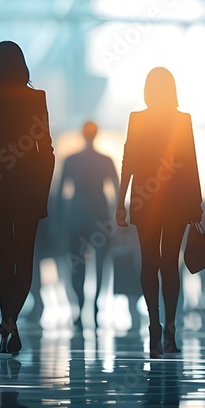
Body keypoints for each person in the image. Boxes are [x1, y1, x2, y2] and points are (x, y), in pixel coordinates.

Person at [0, 41, 54, 353]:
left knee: (5, 258)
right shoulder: (36, 98)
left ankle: (8, 322)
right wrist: (43, 183)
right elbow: (46, 148)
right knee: (25, 256)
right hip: (29, 186)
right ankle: (11, 322)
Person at [115, 67, 202, 356]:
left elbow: (129, 160)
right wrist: (196, 202)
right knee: (169, 264)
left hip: (145, 200)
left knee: (149, 261)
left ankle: (154, 326)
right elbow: (190, 161)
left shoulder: (137, 119)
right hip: (176, 202)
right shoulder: (182, 120)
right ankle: (170, 328)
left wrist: (120, 200)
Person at [58, 121, 119, 328]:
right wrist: (119, 219)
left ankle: (81, 304)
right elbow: (117, 191)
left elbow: (60, 194)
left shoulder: (71, 160)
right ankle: (94, 305)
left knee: (77, 265)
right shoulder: (105, 160)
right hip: (101, 218)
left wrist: (59, 220)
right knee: (101, 264)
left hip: (77, 217)